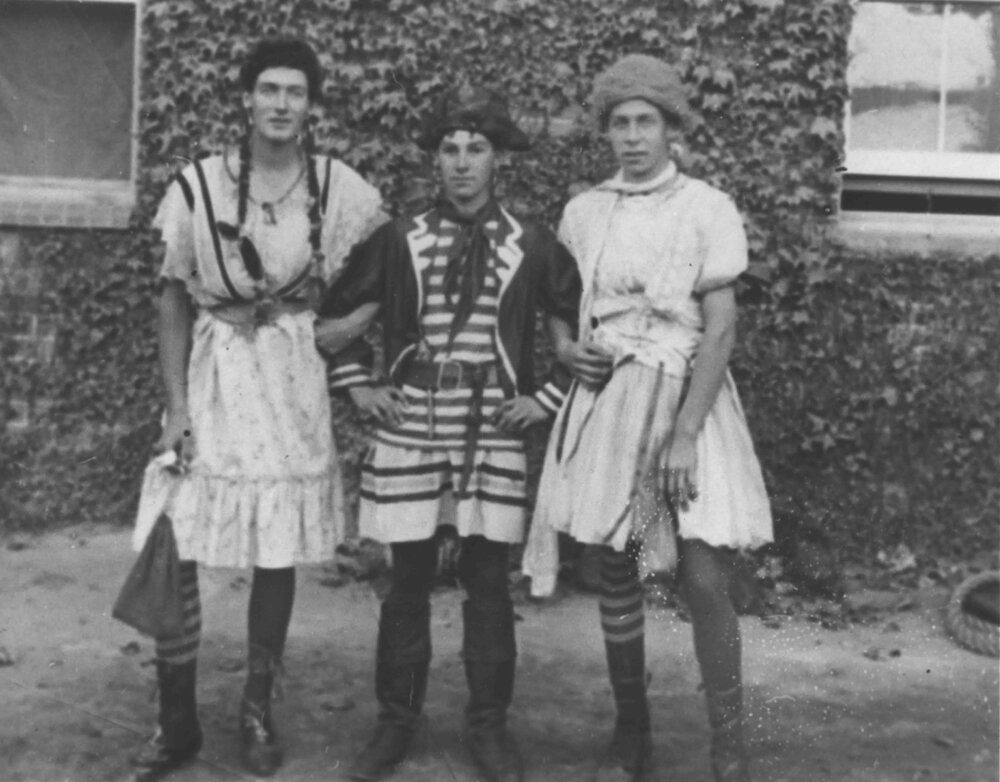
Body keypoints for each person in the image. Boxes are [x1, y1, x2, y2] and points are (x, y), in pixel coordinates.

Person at [128, 38, 385, 780]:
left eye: (295, 92)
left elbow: (384, 271)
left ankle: (257, 707)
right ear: (246, 99)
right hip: (215, 370)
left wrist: (348, 326)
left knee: (277, 548)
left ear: (311, 106)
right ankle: (175, 721)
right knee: (174, 533)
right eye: (268, 89)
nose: (280, 104)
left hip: (292, 375)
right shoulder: (199, 187)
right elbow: (173, 293)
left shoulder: (339, 188)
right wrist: (176, 406)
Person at [316, 85, 581, 782]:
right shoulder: (399, 238)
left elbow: (580, 334)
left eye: (477, 150)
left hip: (491, 423)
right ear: (436, 162)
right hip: (411, 420)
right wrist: (361, 387)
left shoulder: (532, 244)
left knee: (488, 582)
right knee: (405, 580)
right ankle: (396, 722)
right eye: (450, 151)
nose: (463, 163)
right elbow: (333, 320)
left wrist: (544, 398)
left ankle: (489, 727)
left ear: (497, 162)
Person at [523, 54, 773, 782]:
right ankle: (632, 731)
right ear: (606, 132)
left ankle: (729, 738)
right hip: (609, 401)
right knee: (614, 566)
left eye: (646, 123)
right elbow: (563, 314)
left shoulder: (706, 206)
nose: (633, 137)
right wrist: (568, 350)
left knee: (701, 573)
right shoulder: (584, 211)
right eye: (620, 124)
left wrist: (686, 434)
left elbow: (720, 329)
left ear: (671, 129)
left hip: (687, 400)